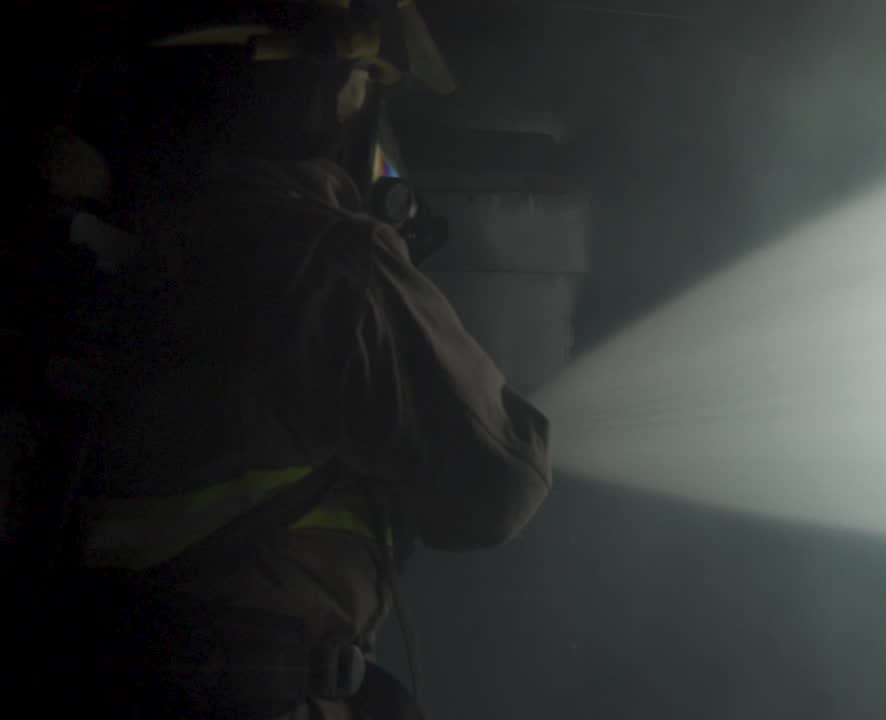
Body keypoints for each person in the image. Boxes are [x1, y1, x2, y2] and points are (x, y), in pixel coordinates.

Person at [9, 2, 551, 718]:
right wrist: (396, 275)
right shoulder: (326, 259)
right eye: (361, 86)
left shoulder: (103, 245)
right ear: (301, 85)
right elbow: (498, 484)